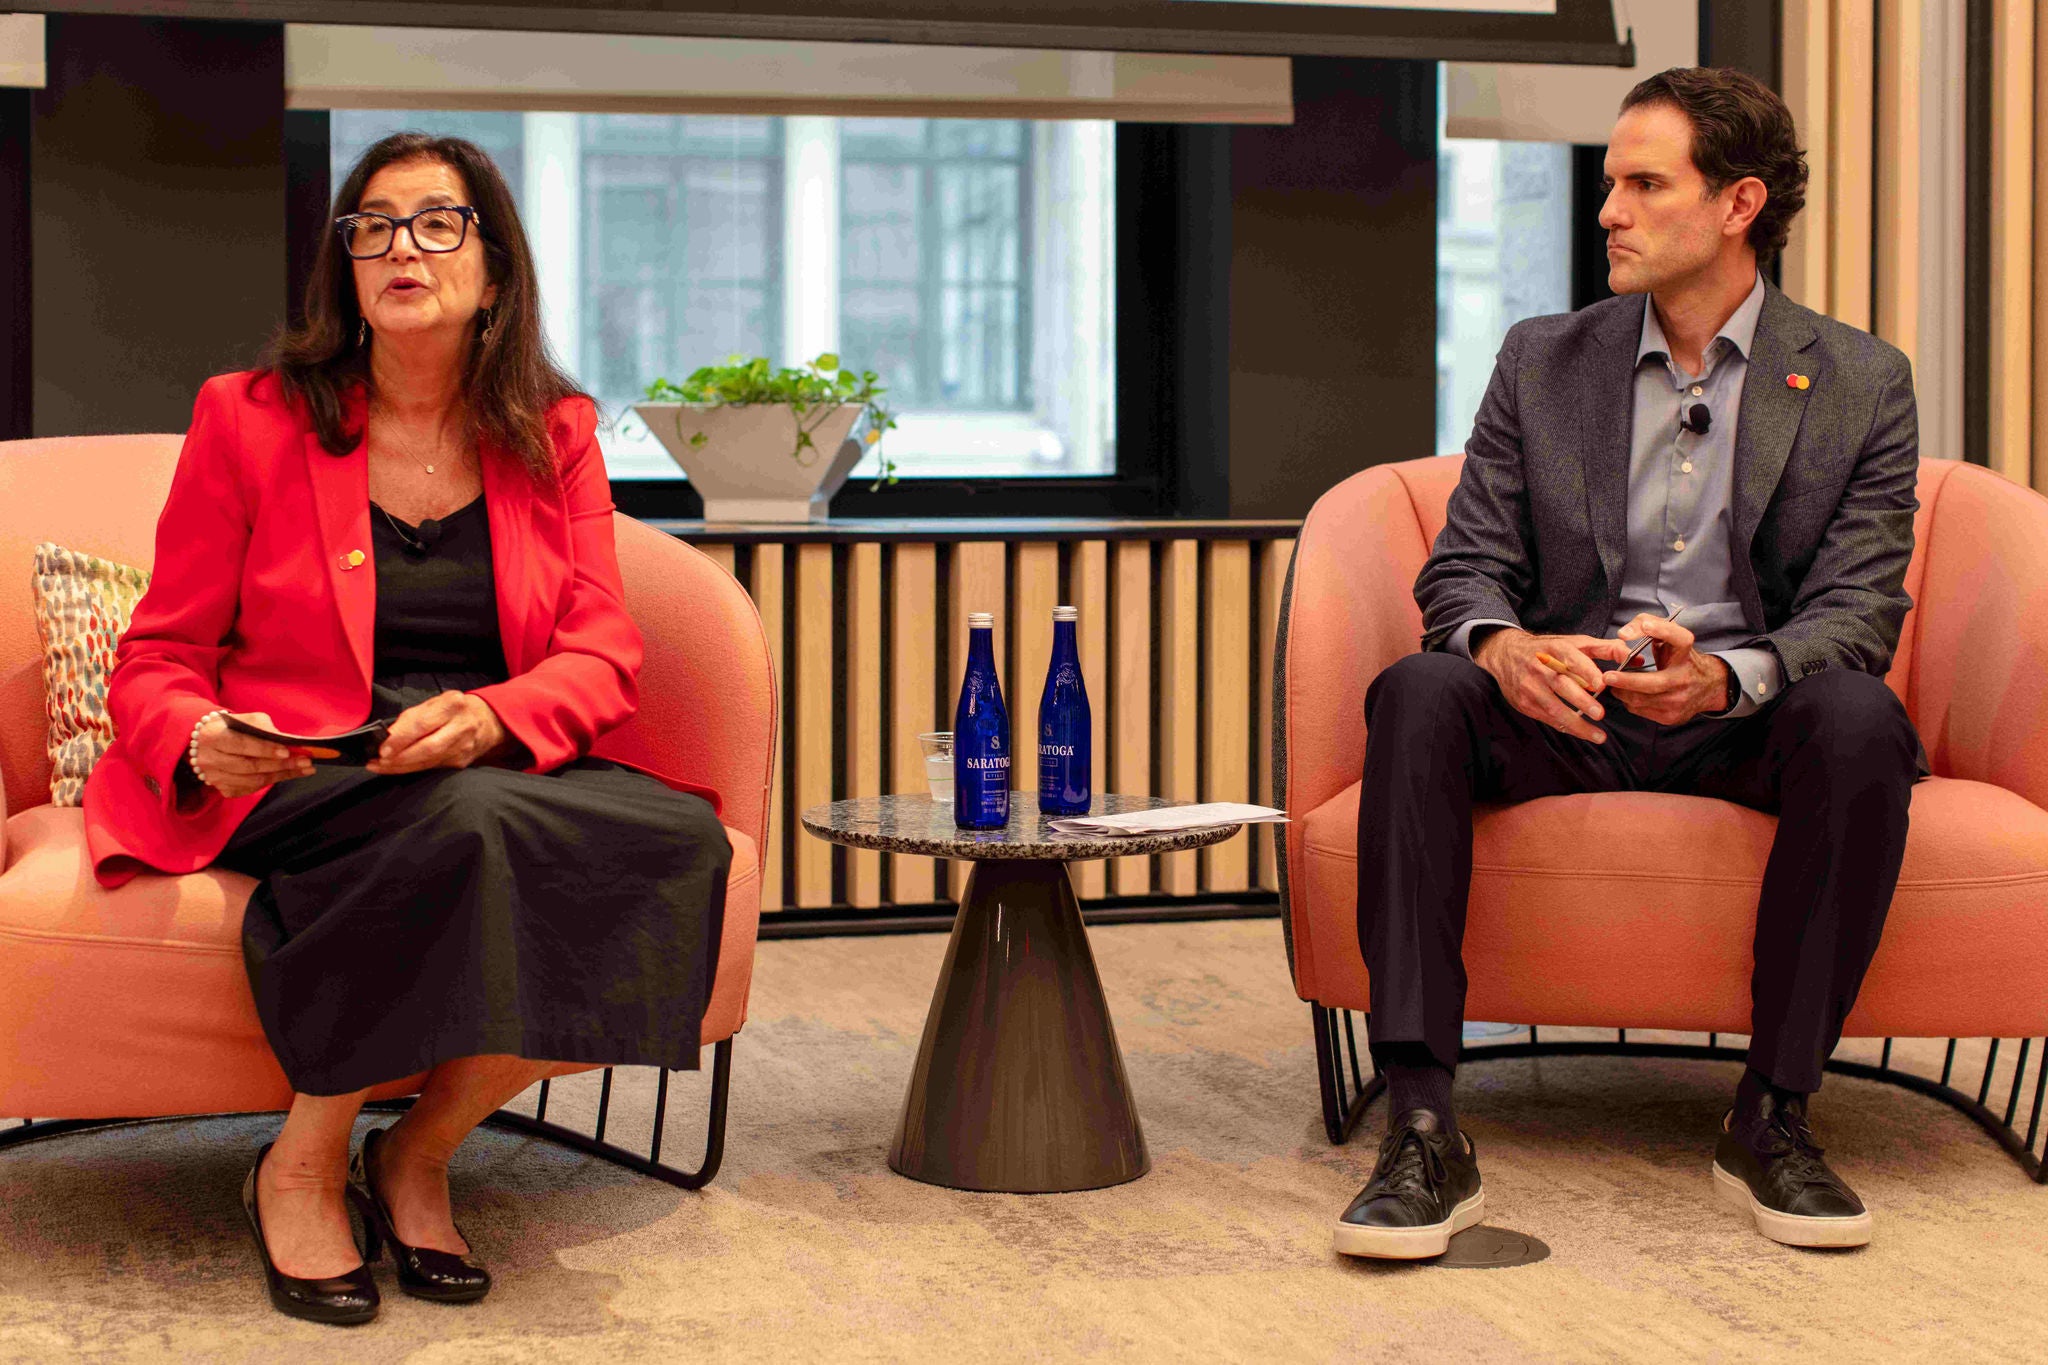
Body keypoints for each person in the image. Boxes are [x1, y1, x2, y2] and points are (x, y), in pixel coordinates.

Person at [82, 132, 733, 1325]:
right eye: (372, 226)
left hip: (479, 756)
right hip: (297, 765)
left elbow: (600, 649)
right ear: (345, 265)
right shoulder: (249, 418)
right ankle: (301, 1162)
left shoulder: (554, 433)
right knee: (462, 820)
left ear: (494, 268)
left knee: (675, 842)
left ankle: (418, 1151)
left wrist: (493, 714)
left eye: (437, 223)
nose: (400, 248)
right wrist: (197, 736)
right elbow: (158, 653)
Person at [1332, 67, 1922, 1260]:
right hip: (1568, 710)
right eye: (1610, 183)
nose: (1606, 210)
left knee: (1859, 718)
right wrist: (1506, 649)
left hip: (1738, 719)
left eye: (1644, 185)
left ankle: (1772, 1115)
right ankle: (1423, 1123)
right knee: (1420, 689)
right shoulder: (1541, 359)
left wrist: (1727, 675)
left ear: (1738, 204)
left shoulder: (1861, 381)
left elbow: (1858, 610)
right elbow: (1463, 569)